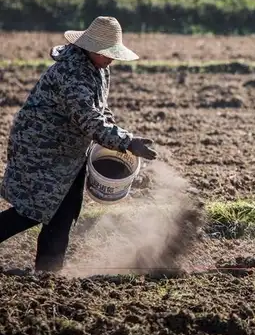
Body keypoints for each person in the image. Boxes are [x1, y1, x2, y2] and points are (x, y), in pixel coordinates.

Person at [0, 16, 158, 273]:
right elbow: (89, 119)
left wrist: (121, 137)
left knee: (66, 210)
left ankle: (48, 273)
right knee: (33, 209)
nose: (112, 58)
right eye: (108, 53)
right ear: (91, 48)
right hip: (42, 147)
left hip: (69, 149)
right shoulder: (72, 73)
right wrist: (127, 142)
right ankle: (47, 271)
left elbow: (101, 111)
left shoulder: (99, 68)